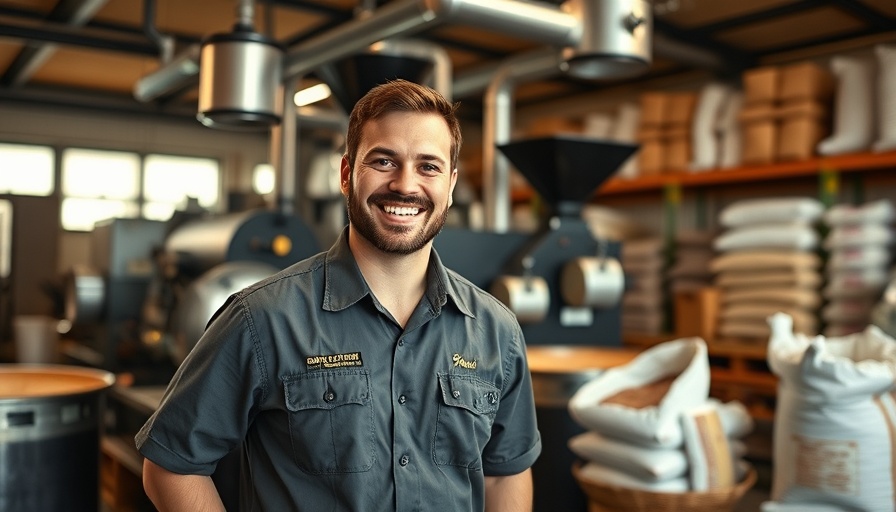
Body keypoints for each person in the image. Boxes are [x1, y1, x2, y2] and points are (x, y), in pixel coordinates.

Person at [136, 79, 542, 511]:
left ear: (452, 184)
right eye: (384, 161)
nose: (405, 184)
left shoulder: (497, 330)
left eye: (428, 167)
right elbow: (172, 466)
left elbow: (505, 474)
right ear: (347, 175)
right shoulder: (263, 318)